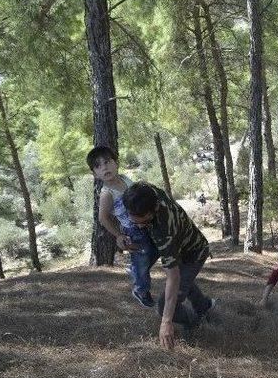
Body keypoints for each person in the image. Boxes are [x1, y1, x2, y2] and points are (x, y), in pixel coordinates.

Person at [122, 182, 217, 349]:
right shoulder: (146, 191)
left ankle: (193, 323)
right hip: (180, 247)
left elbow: (173, 276)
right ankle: (205, 306)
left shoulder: (164, 231)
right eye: (134, 221)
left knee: (163, 305)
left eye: (143, 222)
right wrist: (119, 236)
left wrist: (166, 322)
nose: (139, 227)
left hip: (193, 253)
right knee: (185, 282)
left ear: (155, 208)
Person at [87, 146, 156, 308]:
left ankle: (136, 268)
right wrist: (118, 235)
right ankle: (141, 290)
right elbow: (103, 218)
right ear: (95, 174)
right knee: (144, 254)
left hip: (145, 223)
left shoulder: (125, 179)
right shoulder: (106, 194)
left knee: (153, 252)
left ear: (116, 163)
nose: (104, 167)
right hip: (132, 230)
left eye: (107, 162)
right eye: (98, 166)